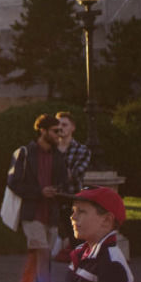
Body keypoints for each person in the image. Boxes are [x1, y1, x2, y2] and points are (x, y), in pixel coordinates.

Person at [8, 114, 68, 282]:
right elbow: (14, 182)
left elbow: (63, 182)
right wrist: (39, 192)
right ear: (43, 131)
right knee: (43, 255)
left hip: (50, 213)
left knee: (35, 258)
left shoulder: (58, 156)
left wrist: (56, 190)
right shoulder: (25, 153)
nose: (59, 135)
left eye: (60, 131)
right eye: (55, 131)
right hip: (31, 212)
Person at [55, 111, 92, 259]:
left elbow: (73, 175)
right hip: (52, 197)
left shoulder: (81, 150)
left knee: (75, 238)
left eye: (64, 124)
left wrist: (57, 173)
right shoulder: (50, 150)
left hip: (71, 198)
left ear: (73, 128)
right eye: (58, 125)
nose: (60, 128)